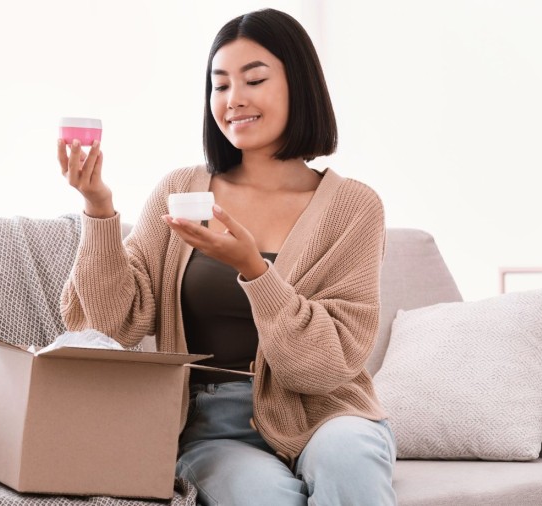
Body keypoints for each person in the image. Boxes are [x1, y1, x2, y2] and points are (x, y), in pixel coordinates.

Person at [58, 7, 396, 506]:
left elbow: (326, 368)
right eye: (220, 86)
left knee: (349, 459)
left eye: (253, 79)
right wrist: (99, 210)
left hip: (328, 413)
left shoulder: (353, 208)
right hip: (214, 428)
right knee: (264, 497)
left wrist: (255, 271)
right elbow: (112, 325)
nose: (233, 100)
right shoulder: (180, 190)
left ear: (298, 85)